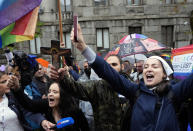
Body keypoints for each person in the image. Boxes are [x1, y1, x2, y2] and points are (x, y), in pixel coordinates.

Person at [70, 24, 193, 131]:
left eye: (154, 66)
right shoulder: (136, 91)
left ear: (165, 74)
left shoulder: (174, 93)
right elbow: (108, 73)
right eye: (146, 67)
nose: (148, 69)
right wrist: (83, 48)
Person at [48, 54, 125, 131]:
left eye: (114, 64)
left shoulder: (132, 88)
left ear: (122, 67)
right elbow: (76, 88)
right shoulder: (98, 86)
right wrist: (63, 78)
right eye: (108, 65)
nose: (111, 67)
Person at [10, 75, 89, 131]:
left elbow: (85, 128)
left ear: (62, 96)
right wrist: (17, 89)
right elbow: (29, 104)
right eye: (49, 91)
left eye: (55, 92)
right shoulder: (47, 105)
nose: (50, 94)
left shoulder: (75, 112)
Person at [0, 65, 54, 131]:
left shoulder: (13, 97)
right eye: (3, 82)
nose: (8, 83)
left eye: (8, 80)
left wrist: (42, 121)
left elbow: (28, 110)